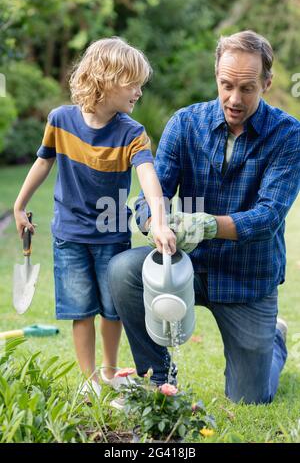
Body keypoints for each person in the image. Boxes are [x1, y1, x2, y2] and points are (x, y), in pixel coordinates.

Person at [108, 31, 300, 404]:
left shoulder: (289, 135)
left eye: (247, 88)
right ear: (216, 75)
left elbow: (269, 216)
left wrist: (207, 224)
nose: (234, 99)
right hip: (185, 267)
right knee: (124, 271)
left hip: (248, 277)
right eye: (226, 85)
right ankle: (159, 381)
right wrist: (156, 223)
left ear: (267, 82)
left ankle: (273, 340)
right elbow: (153, 194)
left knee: (250, 397)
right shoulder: (186, 124)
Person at [14, 37, 176, 399]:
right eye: (132, 83)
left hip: (110, 234)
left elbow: (148, 176)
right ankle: (88, 380)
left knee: (111, 309)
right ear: (105, 79)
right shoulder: (60, 120)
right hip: (69, 234)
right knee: (80, 308)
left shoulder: (132, 133)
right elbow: (44, 161)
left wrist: (160, 221)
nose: (138, 92)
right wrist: (19, 204)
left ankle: (108, 370)